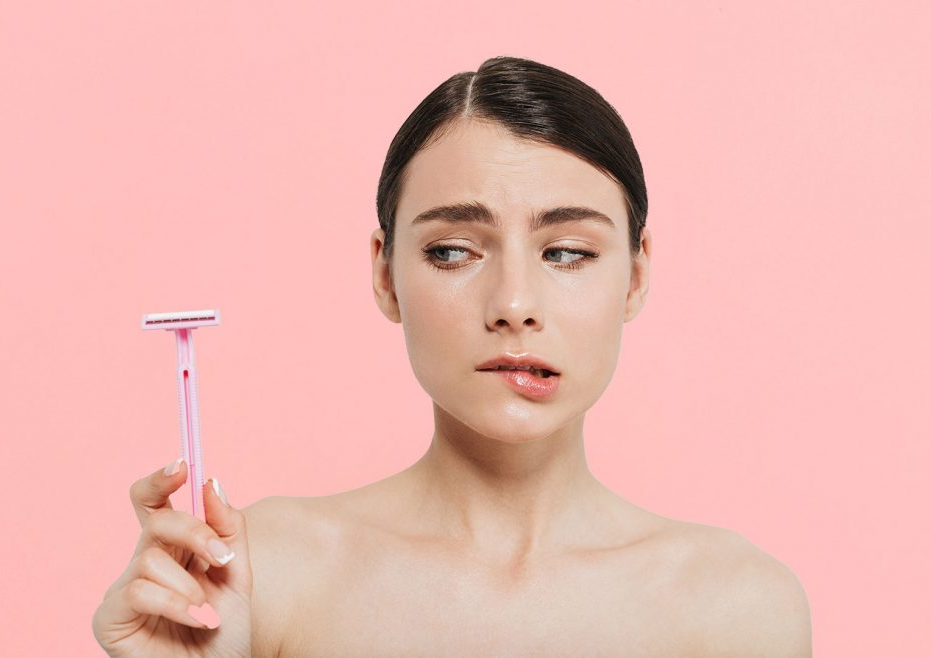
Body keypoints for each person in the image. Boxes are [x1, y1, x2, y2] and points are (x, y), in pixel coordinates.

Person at [92, 55, 813, 657]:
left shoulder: (737, 609)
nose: (513, 303)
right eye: (453, 252)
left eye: (566, 252)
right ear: (385, 274)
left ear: (637, 272)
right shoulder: (260, 575)